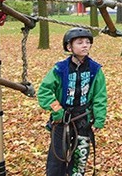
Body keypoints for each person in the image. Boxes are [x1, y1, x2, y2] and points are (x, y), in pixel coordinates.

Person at [37, 27, 107, 176]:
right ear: (69, 47)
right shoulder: (59, 69)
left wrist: (99, 118)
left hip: (83, 120)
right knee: (57, 161)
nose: (85, 45)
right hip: (62, 121)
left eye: (88, 42)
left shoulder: (95, 69)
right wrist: (57, 111)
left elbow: (100, 96)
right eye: (80, 42)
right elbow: (44, 92)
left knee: (79, 161)